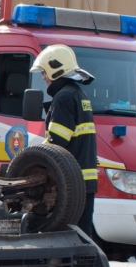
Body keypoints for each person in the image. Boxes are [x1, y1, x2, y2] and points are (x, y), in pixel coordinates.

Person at [30, 44, 97, 236]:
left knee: (66, 236)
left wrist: (33, 159)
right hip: (84, 179)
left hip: (70, 181)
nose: (44, 77)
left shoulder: (64, 97)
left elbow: (57, 142)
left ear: (55, 69)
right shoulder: (78, 94)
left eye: (44, 72)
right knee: (82, 234)